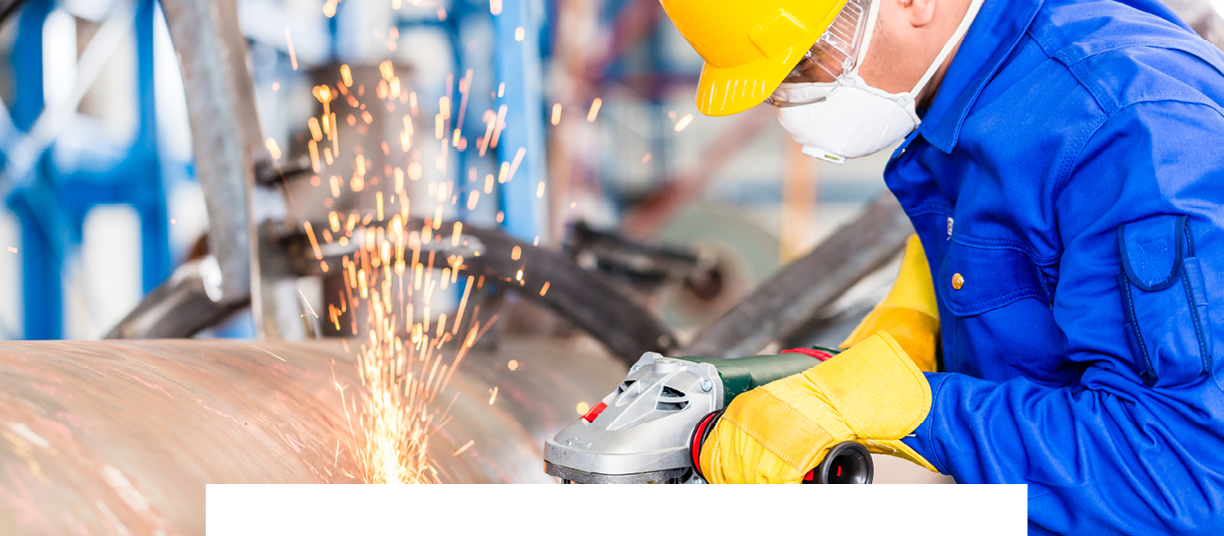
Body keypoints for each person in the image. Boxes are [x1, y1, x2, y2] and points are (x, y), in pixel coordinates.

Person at [662, 0, 1224, 532]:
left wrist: (913, 410)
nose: (796, 101)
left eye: (807, 59)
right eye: (776, 87)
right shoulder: (990, 93)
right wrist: (929, 326)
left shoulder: (1129, 128)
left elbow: (1186, 476)